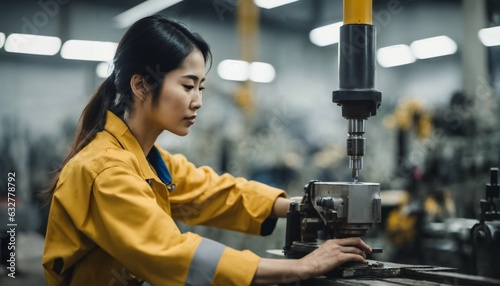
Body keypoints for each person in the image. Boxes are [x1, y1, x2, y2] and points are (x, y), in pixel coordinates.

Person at [41, 15, 372, 286]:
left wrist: (300, 206)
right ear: (141, 85)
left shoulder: (145, 159)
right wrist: (302, 268)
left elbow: (211, 191)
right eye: (187, 86)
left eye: (200, 87)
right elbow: (172, 252)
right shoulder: (105, 171)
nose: (198, 100)